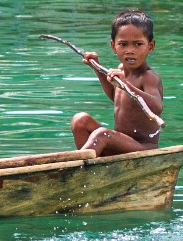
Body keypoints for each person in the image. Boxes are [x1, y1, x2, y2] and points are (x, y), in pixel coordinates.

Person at [70, 11, 164, 156]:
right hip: (121, 142)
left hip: (144, 147)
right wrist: (97, 67)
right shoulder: (121, 70)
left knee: (102, 134)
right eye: (123, 44)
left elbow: (157, 107)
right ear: (114, 46)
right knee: (80, 120)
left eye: (138, 44)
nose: (130, 51)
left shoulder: (148, 77)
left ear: (150, 46)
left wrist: (126, 84)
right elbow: (117, 97)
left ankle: (79, 165)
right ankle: (90, 164)